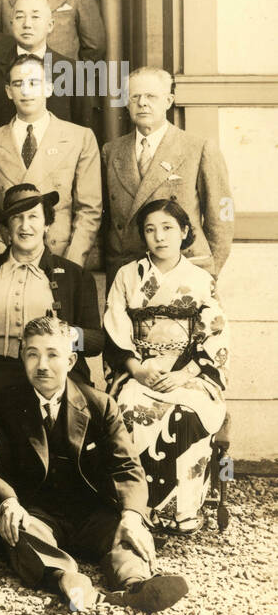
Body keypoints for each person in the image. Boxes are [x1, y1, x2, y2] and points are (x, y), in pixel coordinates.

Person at [0, 315, 189, 613]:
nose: (42, 364)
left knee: (125, 533)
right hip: (38, 512)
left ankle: (137, 586)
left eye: (53, 355)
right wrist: (10, 503)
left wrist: (132, 516)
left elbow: (127, 468)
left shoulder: (100, 405)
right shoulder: (3, 404)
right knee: (19, 531)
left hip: (91, 512)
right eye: (33, 354)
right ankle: (68, 579)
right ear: (21, 356)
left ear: (70, 361)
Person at [103, 199, 230, 533]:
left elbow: (215, 333)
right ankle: (136, 508)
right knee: (128, 409)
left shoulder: (202, 279)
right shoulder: (127, 276)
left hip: (188, 374)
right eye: (150, 229)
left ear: (184, 232)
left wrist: (184, 375)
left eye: (167, 228)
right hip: (140, 370)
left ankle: (182, 510)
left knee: (188, 416)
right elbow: (115, 327)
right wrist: (136, 368)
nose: (159, 237)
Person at [0, 183, 102, 407]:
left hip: (53, 373)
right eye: (17, 217)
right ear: (7, 227)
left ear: (47, 223)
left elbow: (96, 342)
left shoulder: (75, 276)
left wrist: (64, 334)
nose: (25, 226)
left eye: (34, 216)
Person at [102, 66, 233, 281]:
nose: (142, 103)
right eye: (135, 96)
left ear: (169, 101)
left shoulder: (197, 148)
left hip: (184, 268)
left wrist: (208, 270)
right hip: (127, 271)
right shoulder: (111, 151)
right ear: (127, 102)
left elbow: (222, 216)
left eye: (151, 96)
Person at [0, 53, 101, 267]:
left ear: (49, 88)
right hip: (8, 258)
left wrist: (71, 265)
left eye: (33, 83)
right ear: (8, 92)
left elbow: (89, 209)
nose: (26, 91)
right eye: (18, 84)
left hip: (60, 256)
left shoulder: (79, 137)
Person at [0, 0, 76, 129]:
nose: (27, 24)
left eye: (35, 17)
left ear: (50, 25)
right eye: (20, 17)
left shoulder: (69, 69)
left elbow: (82, 128)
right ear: (11, 24)